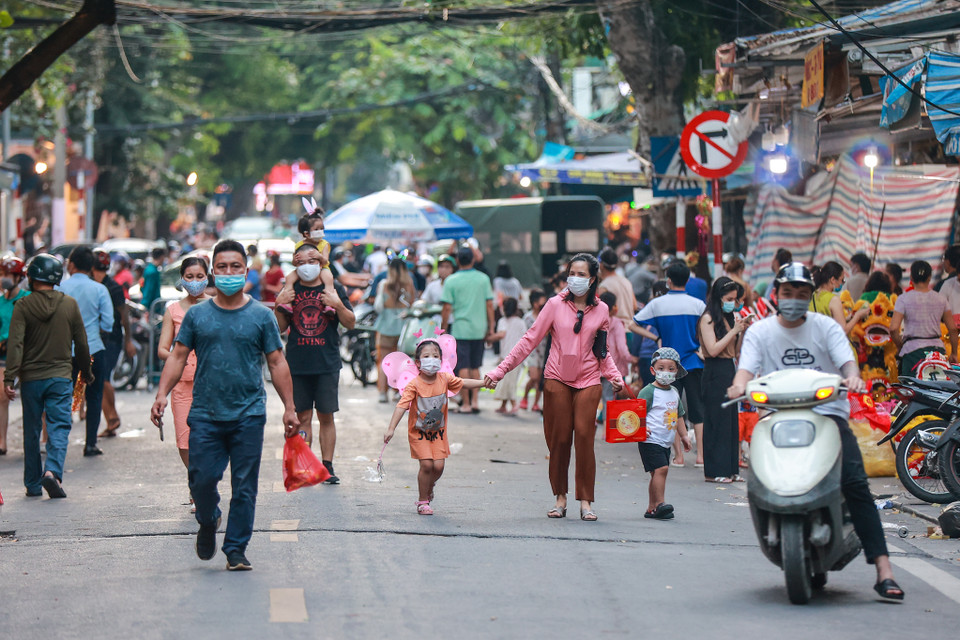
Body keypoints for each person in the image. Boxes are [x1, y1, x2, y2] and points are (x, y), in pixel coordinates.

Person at [728, 262, 905, 601]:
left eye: (801, 294)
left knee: (855, 483)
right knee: (757, 475)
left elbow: (847, 362)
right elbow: (745, 370)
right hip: (775, 416)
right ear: (777, 295)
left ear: (810, 296)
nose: (794, 299)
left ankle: (884, 569)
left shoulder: (826, 328)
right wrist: (738, 386)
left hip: (828, 415)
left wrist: (852, 376)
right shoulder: (760, 332)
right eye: (787, 293)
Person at [151, 240, 299, 572]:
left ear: (245, 272)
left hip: (248, 414)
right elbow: (176, 356)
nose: (229, 272)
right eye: (223, 267)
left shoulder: (261, 316)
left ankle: (235, 549)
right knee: (201, 480)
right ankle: (209, 518)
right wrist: (162, 394)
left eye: (236, 267)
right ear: (213, 273)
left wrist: (289, 407)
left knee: (244, 486)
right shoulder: (196, 315)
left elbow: (276, 362)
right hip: (205, 414)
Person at [484, 253, 624, 521]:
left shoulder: (602, 310)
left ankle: (585, 501)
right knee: (559, 439)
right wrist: (501, 370)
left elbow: (602, 351)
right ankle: (560, 497)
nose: (575, 278)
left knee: (584, 435)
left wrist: (615, 376)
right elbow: (529, 340)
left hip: (589, 380)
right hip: (557, 378)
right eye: (572, 273)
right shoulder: (553, 305)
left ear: (592, 279)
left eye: (582, 275)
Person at [4, 254, 91, 498]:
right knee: (59, 427)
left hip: (31, 379)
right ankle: (52, 471)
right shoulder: (69, 304)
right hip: (61, 377)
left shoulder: (22, 306)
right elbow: (81, 344)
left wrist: (9, 378)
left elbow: (16, 345)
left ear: (30, 278)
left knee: (31, 430)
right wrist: (86, 371)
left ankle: (32, 484)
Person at [275, 243, 355, 485]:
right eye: (301, 263)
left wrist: (338, 303)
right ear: (295, 263)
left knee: (327, 416)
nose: (306, 267)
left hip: (327, 362)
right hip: (297, 364)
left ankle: (327, 466)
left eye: (312, 261)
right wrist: (280, 302)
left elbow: (350, 322)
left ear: (320, 262)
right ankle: (304, 466)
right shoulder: (290, 287)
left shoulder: (334, 286)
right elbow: (278, 328)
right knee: (302, 417)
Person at [383, 338, 489, 515]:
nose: (431, 359)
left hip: (438, 434)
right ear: (418, 362)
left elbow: (463, 382)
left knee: (438, 467)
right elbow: (402, 405)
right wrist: (391, 428)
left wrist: (483, 383)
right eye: (426, 356)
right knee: (426, 465)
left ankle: (429, 486)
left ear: (441, 361)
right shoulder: (414, 385)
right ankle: (423, 501)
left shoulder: (445, 379)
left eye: (435, 356)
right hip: (419, 434)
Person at [630, 261, 705, 468]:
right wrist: (701, 348)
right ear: (687, 280)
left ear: (668, 281)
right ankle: (701, 457)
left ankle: (679, 456)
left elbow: (633, 324)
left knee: (671, 409)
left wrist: (655, 339)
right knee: (697, 408)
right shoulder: (697, 304)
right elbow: (707, 328)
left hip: (667, 365)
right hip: (693, 361)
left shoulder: (658, 304)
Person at [157, 256, 209, 485]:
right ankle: (196, 481)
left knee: (209, 439)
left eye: (200, 276)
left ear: (208, 278)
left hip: (211, 384)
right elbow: (162, 349)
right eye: (190, 277)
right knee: (184, 440)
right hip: (182, 385)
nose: (195, 281)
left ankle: (204, 486)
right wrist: (180, 359)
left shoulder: (216, 306)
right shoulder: (173, 310)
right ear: (182, 279)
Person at [58, 246, 114, 457]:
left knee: (63, 396)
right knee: (94, 395)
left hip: (65, 351)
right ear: (91, 266)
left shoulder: (61, 288)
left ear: (71, 265)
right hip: (93, 349)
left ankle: (59, 442)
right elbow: (108, 322)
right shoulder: (99, 289)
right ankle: (90, 444)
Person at [697, 277, 749, 483]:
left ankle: (729, 469)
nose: (734, 303)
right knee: (716, 421)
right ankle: (714, 471)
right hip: (714, 370)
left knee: (729, 422)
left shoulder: (728, 318)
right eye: (729, 299)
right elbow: (713, 349)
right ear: (718, 297)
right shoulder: (707, 319)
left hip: (729, 369)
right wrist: (734, 332)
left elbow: (734, 352)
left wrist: (741, 331)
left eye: (736, 299)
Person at [636, 348, 692, 519]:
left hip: (665, 441)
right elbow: (636, 413)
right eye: (661, 368)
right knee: (662, 469)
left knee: (656, 473)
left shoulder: (674, 392)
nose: (665, 372)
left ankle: (651, 507)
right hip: (650, 439)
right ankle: (660, 504)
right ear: (653, 370)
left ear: (676, 372)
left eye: (670, 369)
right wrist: (641, 427)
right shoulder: (648, 391)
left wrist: (683, 436)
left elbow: (679, 415)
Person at [441, 247, 494, 414]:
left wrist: (442, 330)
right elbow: (490, 305)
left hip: (460, 329)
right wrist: (491, 327)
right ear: (473, 260)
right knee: (476, 364)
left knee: (463, 366)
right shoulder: (483, 279)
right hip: (479, 328)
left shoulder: (451, 280)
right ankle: (476, 401)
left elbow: (447, 308)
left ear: (457, 261)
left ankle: (466, 403)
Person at [90, 249, 137, 438]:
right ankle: (111, 417)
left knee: (103, 378)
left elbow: (124, 316)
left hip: (112, 339)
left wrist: (128, 341)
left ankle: (112, 418)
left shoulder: (113, 288)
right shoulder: (94, 286)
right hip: (97, 338)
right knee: (98, 378)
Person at [891, 260, 958, 376]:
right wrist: (954, 353)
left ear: (911, 277)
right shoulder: (941, 299)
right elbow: (952, 329)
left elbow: (893, 329)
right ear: (929, 277)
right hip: (937, 352)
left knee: (911, 391)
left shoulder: (903, 299)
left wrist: (900, 346)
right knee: (936, 391)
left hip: (912, 352)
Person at [374, 258, 414, 403]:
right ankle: (399, 391)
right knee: (402, 363)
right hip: (404, 329)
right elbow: (412, 305)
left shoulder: (383, 285)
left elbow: (378, 307)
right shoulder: (409, 285)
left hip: (385, 327)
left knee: (384, 362)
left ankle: (382, 393)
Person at [279, 210, 336, 311]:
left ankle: (329, 305)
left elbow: (325, 262)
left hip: (322, 269)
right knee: (289, 278)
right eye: (316, 229)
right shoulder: (299, 245)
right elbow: (294, 263)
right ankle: (287, 304)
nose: (320, 231)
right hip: (301, 270)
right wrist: (295, 260)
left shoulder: (324, 244)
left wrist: (319, 256)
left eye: (322, 228)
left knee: (328, 279)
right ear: (306, 233)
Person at [0, 256, 28, 455]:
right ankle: (2, 441)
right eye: (2, 274)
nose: (4, 278)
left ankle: (40, 438)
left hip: (26, 353)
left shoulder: (27, 299)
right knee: (2, 396)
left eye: (8, 274)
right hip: (3, 353)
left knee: (32, 397)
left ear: (18, 277)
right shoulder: (1, 302)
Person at [598, 291, 634, 427]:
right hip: (612, 367)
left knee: (595, 398)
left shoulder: (595, 320)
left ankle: (592, 426)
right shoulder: (617, 323)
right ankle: (607, 428)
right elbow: (622, 348)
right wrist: (632, 359)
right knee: (609, 398)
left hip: (596, 367)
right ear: (614, 307)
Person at [488, 297, 526, 415]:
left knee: (508, 382)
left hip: (506, 356)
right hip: (518, 357)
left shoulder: (503, 321)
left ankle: (514, 404)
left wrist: (488, 338)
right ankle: (504, 405)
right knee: (508, 380)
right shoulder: (521, 322)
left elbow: (501, 334)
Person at [809, 261, 868, 337]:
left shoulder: (812, 295)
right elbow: (843, 330)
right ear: (833, 280)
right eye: (842, 280)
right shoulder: (833, 299)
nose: (842, 284)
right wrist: (858, 315)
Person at [519, 289, 547, 411]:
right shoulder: (528, 317)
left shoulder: (546, 316)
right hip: (532, 351)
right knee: (534, 376)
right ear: (535, 303)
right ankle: (525, 397)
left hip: (544, 349)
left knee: (540, 378)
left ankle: (536, 403)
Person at [598, 247, 638, 329]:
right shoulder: (626, 281)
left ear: (601, 265)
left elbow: (602, 311)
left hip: (614, 330)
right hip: (630, 329)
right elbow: (635, 306)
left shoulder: (604, 286)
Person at [141, 246, 166, 312]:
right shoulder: (152, 272)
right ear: (162, 257)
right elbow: (149, 289)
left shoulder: (150, 269)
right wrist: (144, 305)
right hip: (151, 307)